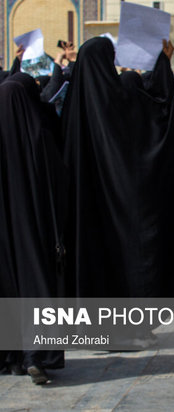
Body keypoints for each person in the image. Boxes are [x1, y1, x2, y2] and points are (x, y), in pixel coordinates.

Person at [61, 37, 174, 301]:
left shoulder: (74, 108)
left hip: (88, 205)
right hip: (122, 202)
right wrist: (163, 63)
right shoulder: (117, 99)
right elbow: (156, 112)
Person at [0, 74, 68, 384]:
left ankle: (12, 357)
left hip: (6, 234)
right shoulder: (38, 133)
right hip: (35, 228)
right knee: (36, 285)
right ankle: (35, 355)